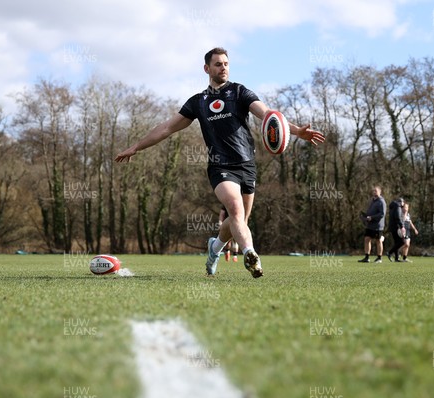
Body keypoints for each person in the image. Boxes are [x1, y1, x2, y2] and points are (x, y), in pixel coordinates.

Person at [115, 47, 325, 278]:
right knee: (234, 210)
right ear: (207, 68)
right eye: (218, 64)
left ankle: (214, 249)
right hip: (220, 166)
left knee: (239, 222)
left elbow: (267, 114)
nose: (223, 67)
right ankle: (251, 256)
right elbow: (166, 128)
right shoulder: (197, 102)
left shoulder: (239, 92)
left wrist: (295, 131)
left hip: (247, 164)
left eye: (226, 63)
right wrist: (136, 147)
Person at [358, 186, 387, 263]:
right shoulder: (373, 201)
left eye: (376, 191)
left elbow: (382, 214)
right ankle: (367, 257)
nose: (374, 192)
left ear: (380, 192)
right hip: (370, 225)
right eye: (373, 191)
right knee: (367, 239)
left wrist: (372, 218)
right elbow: (371, 212)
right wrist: (366, 216)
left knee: (378, 241)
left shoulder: (381, 201)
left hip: (378, 225)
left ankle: (379, 258)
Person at [386, 197, 406, 262]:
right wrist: (402, 226)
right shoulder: (398, 207)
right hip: (396, 227)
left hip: (392, 227)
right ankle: (390, 252)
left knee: (396, 243)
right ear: (401, 202)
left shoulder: (393, 207)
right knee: (402, 242)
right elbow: (397, 217)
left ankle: (396, 258)